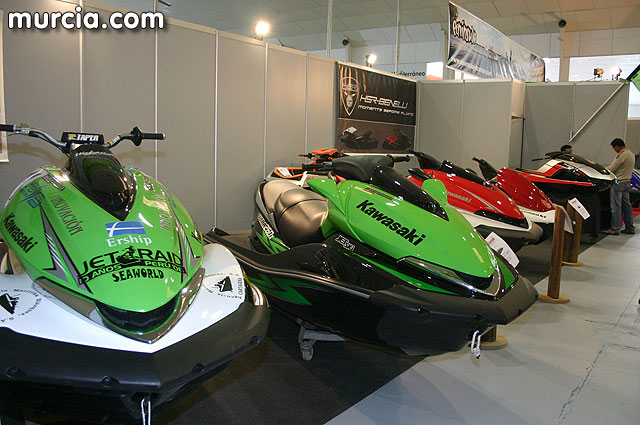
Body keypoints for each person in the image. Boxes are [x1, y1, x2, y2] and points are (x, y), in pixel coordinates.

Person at [603, 138, 635, 235]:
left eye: (614, 148)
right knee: (627, 206)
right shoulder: (631, 154)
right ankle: (630, 228)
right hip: (627, 182)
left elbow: (612, 168)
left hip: (619, 183)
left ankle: (615, 228)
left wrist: (603, 169)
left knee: (616, 206)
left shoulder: (622, 155)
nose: (614, 150)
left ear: (617, 146)